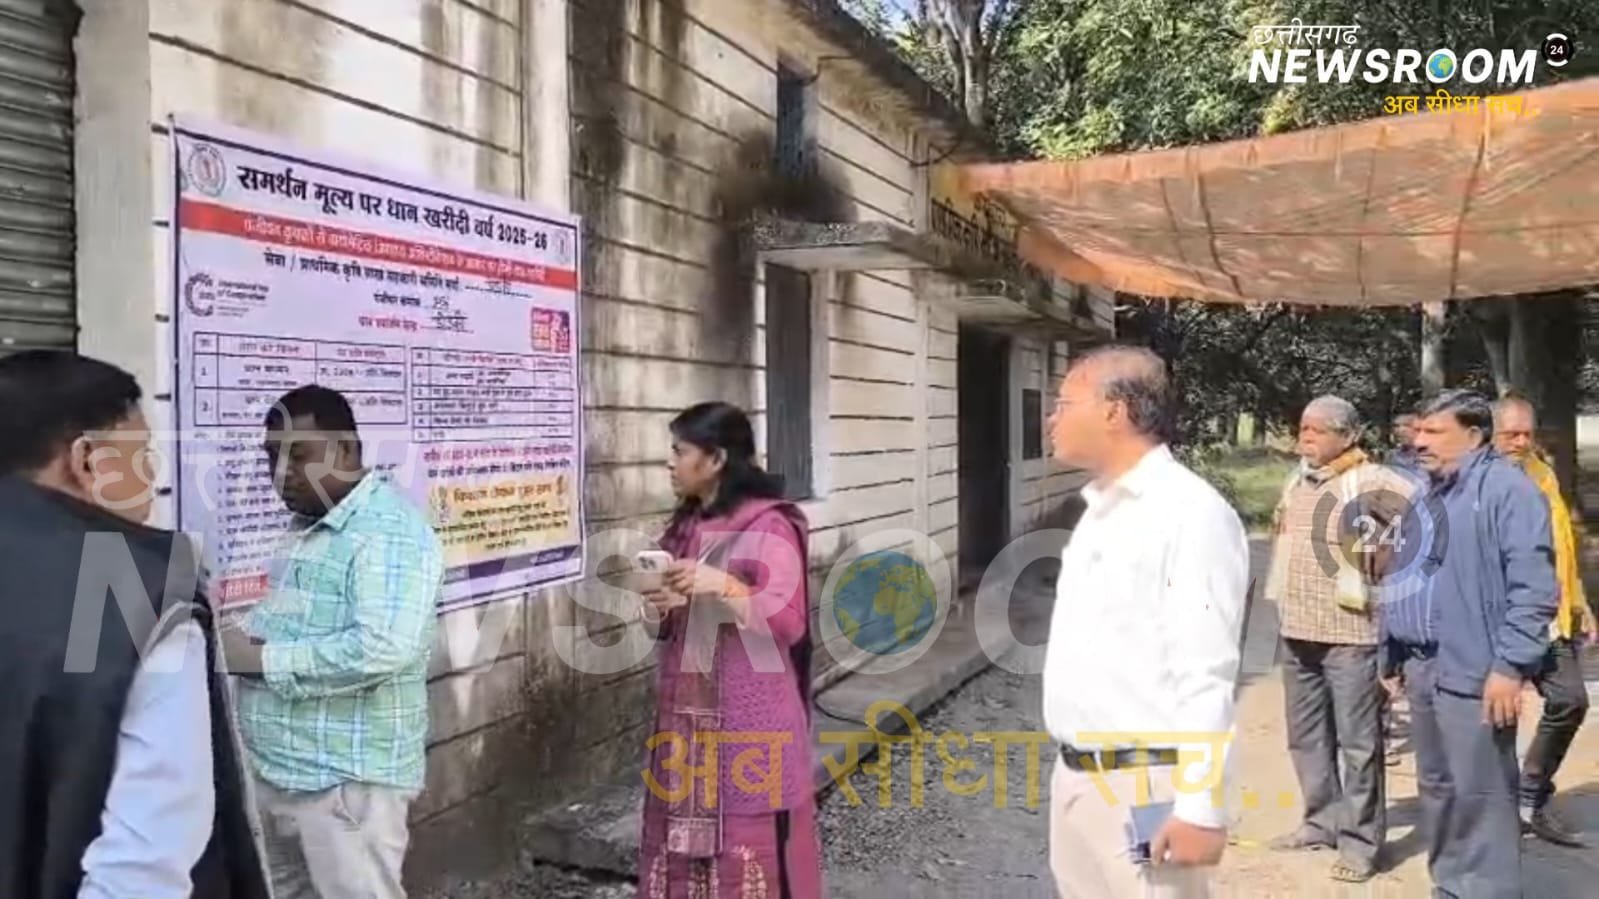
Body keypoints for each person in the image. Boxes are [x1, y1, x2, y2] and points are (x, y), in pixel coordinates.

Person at [0, 350, 269, 898]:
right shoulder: (130, 585)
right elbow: (145, 860)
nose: (152, 472)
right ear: (87, 460)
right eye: (142, 452)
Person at [1041, 346, 1250, 898]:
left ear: (1115, 412)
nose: (1052, 418)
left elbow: (1206, 670)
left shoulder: (1188, 513)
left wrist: (1200, 807)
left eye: (1064, 403)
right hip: (1079, 780)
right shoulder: (1101, 510)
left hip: (1145, 786)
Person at [222, 384, 443, 899]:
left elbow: (382, 648)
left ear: (344, 450)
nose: (282, 472)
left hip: (344, 787)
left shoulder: (386, 532)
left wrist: (260, 659)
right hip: (286, 774)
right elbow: (302, 624)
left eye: (299, 455)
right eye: (272, 457)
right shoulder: (310, 526)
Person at [637, 401, 822, 898]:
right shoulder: (685, 526)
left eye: (680, 451)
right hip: (687, 715)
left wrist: (724, 584)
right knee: (679, 844)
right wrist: (661, 605)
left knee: (746, 844)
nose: (670, 462)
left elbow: (788, 621)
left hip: (748, 719)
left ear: (716, 459)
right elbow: (667, 626)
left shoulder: (768, 524)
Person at [1382, 390, 1558, 898]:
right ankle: (1451, 884)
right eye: (1419, 430)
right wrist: (1390, 652)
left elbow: (1534, 590)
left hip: (1478, 671)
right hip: (1423, 667)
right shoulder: (1425, 490)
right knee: (1438, 787)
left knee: (1481, 791)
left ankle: (1488, 890)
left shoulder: (1508, 491)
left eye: (1434, 432)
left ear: (1475, 436)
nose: (1419, 441)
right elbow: (1403, 573)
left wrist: (1510, 666)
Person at [1264, 396, 1409, 883]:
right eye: (1303, 427)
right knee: (1306, 736)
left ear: (1348, 437)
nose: (1306, 436)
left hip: (1351, 635)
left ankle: (1362, 845)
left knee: (1358, 744)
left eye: (1319, 429)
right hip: (1296, 630)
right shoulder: (1299, 479)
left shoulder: (1373, 481)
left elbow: (1417, 528)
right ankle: (1320, 822)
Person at [1492, 391, 1594, 847]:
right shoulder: (1478, 481)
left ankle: (1531, 792)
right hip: (1500, 619)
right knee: (1498, 718)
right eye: (1510, 434)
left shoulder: (1543, 473)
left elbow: (1563, 546)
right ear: (1489, 434)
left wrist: (1580, 603)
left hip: (1550, 616)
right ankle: (1497, 815)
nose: (1520, 442)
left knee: (1570, 700)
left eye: (1526, 434)